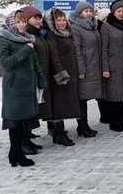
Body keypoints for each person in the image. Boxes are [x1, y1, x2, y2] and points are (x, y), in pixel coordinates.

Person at [0, 10, 47, 167]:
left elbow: (35, 63)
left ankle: (15, 153)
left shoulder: (27, 38)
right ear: (12, 23)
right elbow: (5, 63)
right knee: (15, 123)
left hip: (28, 87)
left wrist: (41, 82)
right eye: (18, 22)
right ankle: (17, 154)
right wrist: (26, 50)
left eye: (23, 21)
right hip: (14, 88)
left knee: (25, 121)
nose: (21, 24)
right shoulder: (4, 39)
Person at [43, 8, 81, 147]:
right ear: (52, 22)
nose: (62, 23)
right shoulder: (51, 35)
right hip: (59, 76)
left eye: (63, 20)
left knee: (64, 105)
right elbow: (54, 57)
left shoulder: (67, 33)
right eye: (58, 20)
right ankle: (59, 134)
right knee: (58, 106)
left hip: (70, 74)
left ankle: (59, 132)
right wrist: (61, 74)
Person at [21, 6, 52, 154]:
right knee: (26, 111)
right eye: (35, 18)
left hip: (40, 77)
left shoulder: (39, 34)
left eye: (40, 18)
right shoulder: (25, 35)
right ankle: (24, 141)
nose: (39, 21)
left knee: (33, 110)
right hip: (29, 79)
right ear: (26, 20)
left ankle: (28, 138)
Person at [69, 1, 103, 138]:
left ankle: (85, 126)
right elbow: (76, 51)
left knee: (85, 98)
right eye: (85, 11)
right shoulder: (76, 28)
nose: (88, 13)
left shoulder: (92, 27)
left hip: (93, 67)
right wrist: (81, 70)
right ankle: (82, 126)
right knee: (81, 99)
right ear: (79, 13)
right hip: (85, 68)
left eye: (90, 11)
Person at [101, 0, 123, 132]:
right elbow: (104, 48)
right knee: (114, 96)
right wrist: (105, 68)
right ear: (113, 13)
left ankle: (122, 120)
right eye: (118, 11)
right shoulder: (107, 26)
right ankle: (114, 122)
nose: (121, 14)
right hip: (113, 66)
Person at [96, 7, 111, 124]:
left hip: (109, 63)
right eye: (106, 18)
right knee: (101, 92)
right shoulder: (98, 29)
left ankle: (108, 113)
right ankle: (104, 115)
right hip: (99, 63)